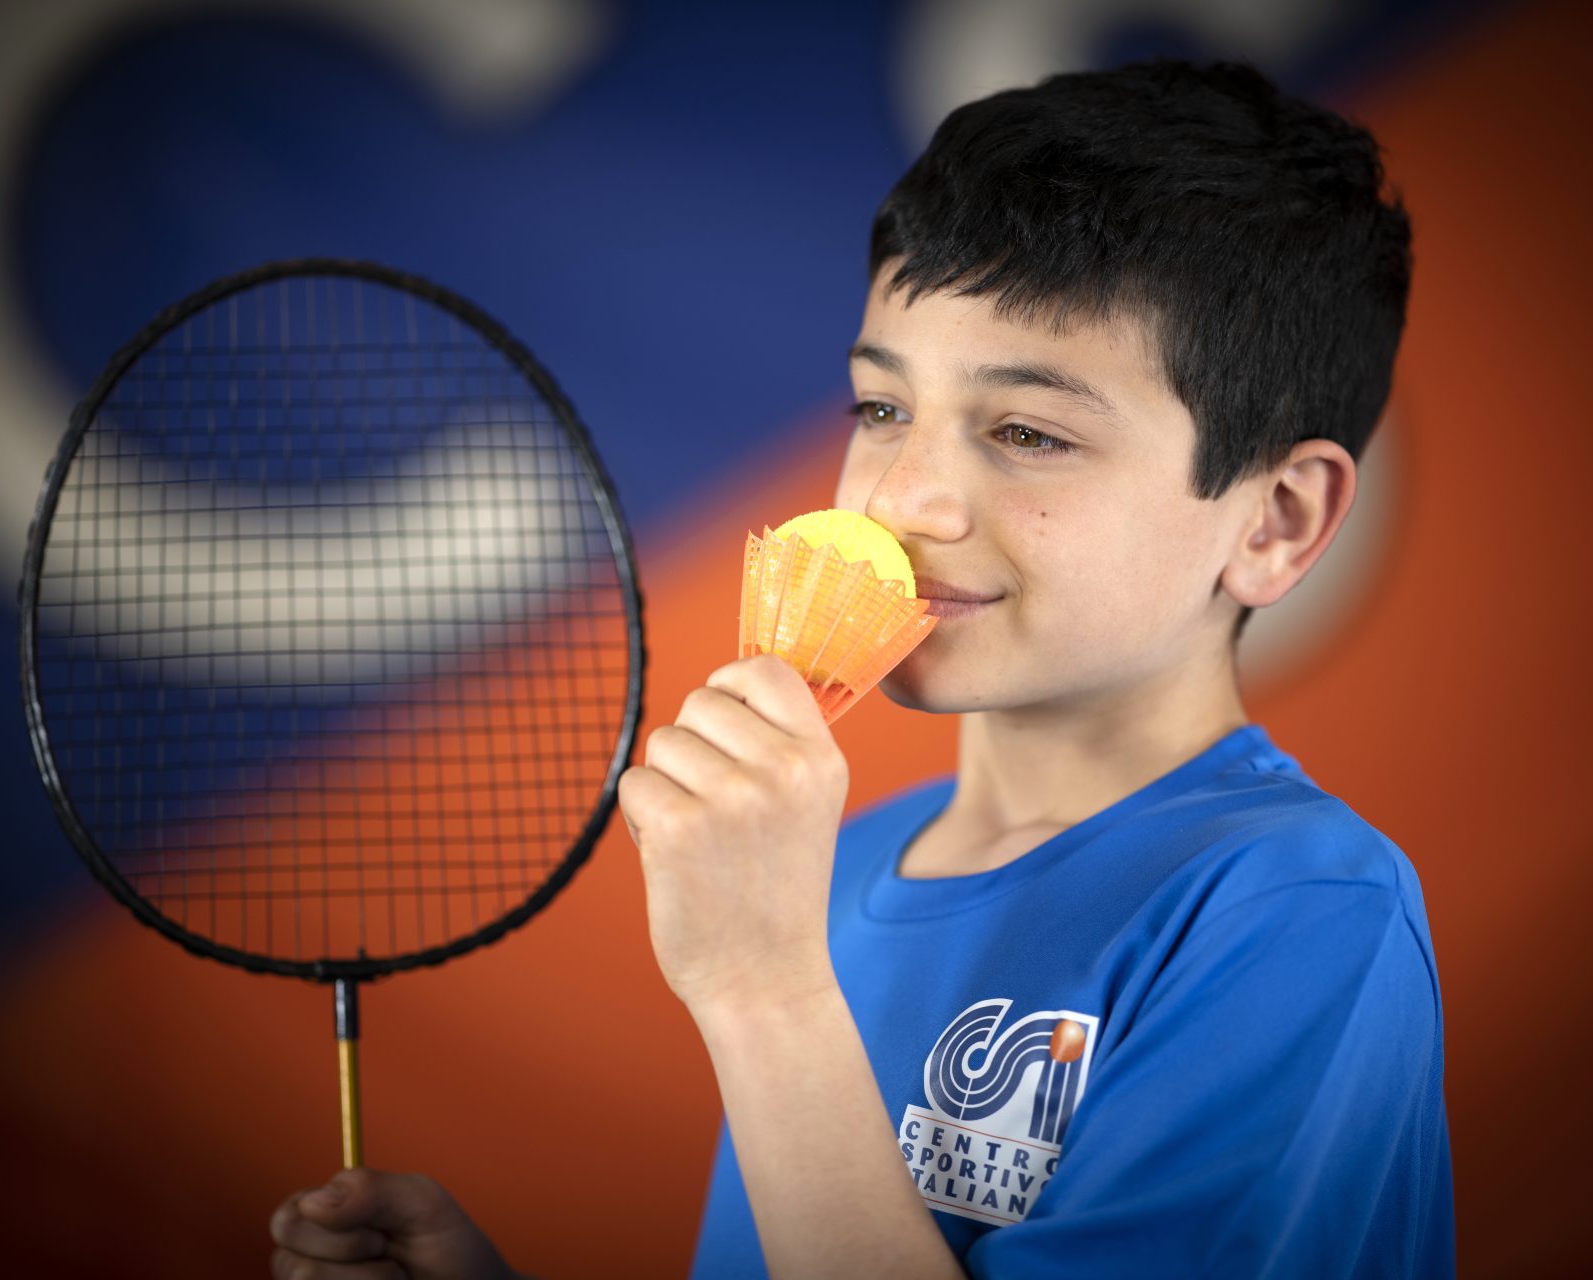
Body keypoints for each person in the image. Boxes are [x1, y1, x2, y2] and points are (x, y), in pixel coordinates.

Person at [269, 57, 1451, 1279]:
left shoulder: (1297, 909)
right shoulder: (833, 866)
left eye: (1029, 432)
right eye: (880, 411)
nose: (905, 497)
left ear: (1277, 521)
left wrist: (764, 991)